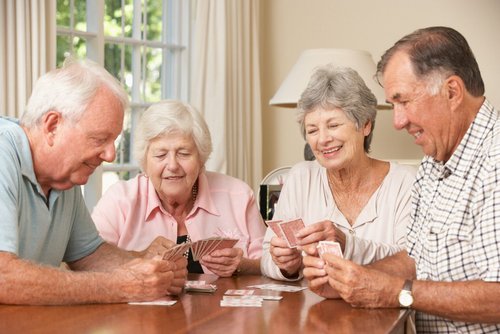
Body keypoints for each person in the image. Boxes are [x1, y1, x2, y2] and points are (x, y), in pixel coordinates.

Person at [303, 26, 500, 332]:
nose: (397, 121)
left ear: (452, 92)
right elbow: (415, 258)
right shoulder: (433, 163)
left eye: (404, 101)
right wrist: (349, 280)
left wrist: (395, 291)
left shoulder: (495, 161)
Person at [0, 58, 187, 305]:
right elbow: (3, 276)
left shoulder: (64, 177)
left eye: (113, 142)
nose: (110, 155)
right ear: (53, 126)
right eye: (99, 139)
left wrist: (148, 269)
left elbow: (89, 255)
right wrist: (120, 286)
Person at [260, 65, 416, 281]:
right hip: (316, 311)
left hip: (384, 311)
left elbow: (413, 262)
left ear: (365, 125)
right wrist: (287, 266)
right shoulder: (300, 178)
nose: (322, 139)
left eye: (333, 125)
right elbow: (266, 257)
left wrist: (348, 245)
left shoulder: (405, 182)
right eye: (312, 130)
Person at [92, 100, 266, 277]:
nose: (173, 165)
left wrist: (242, 265)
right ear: (145, 161)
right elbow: (88, 263)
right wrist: (138, 258)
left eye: (184, 153)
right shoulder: (119, 200)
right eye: (160, 155)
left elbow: (271, 265)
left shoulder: (238, 196)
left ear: (201, 158)